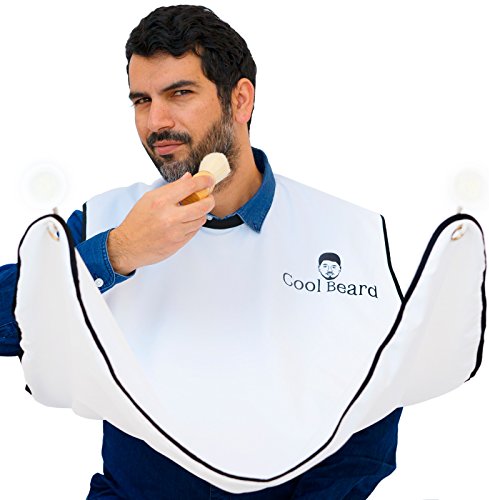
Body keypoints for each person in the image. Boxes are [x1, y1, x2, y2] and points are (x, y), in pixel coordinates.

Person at [0, 5, 403, 499]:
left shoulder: (347, 232)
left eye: (180, 94)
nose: (156, 121)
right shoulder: (110, 218)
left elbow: (376, 408)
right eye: (142, 100)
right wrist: (116, 252)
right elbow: (7, 324)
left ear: (240, 99)